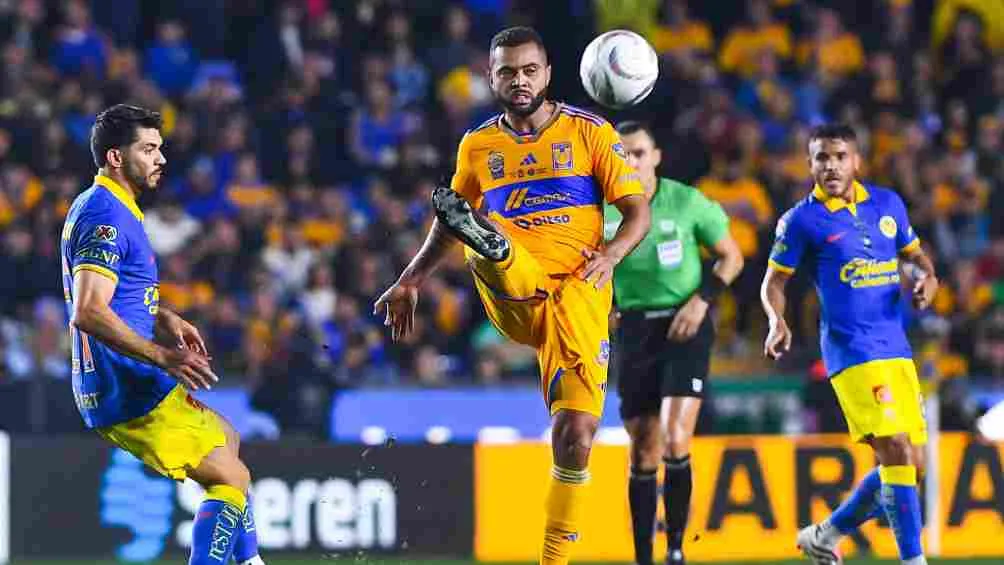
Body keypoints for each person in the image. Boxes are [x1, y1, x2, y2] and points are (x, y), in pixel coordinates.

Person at [373, 26, 651, 565]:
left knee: (577, 433)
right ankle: (491, 244)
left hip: (580, 295)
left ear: (547, 74)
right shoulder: (478, 145)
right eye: (507, 71)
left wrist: (612, 255)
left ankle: (552, 560)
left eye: (528, 70)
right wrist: (411, 277)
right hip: (514, 290)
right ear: (491, 77)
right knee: (491, 248)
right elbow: (444, 221)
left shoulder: (591, 132)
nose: (518, 80)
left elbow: (637, 212)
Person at [60, 104, 264, 565]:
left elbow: (116, 296)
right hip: (128, 386)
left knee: (227, 439)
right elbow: (89, 311)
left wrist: (162, 315)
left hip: (126, 379)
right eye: (149, 149)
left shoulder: (105, 206)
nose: (161, 159)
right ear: (116, 157)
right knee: (232, 478)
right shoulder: (106, 218)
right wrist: (163, 355)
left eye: (160, 148)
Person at [761, 123, 938, 565]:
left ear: (856, 160)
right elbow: (773, 282)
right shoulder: (801, 220)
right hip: (851, 350)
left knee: (910, 464)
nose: (831, 166)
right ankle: (913, 560)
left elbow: (915, 258)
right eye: (821, 157)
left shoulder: (888, 204)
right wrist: (775, 319)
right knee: (896, 447)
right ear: (810, 164)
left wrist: (927, 279)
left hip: (895, 345)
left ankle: (825, 534)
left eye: (840, 156)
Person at [606, 121, 743, 565]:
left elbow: (732, 256)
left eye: (639, 153)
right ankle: (644, 556)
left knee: (673, 434)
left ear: (656, 156)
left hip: (684, 325)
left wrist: (703, 301)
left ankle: (677, 549)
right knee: (642, 443)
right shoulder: (603, 210)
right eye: (622, 154)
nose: (631, 161)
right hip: (634, 329)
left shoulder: (685, 201)